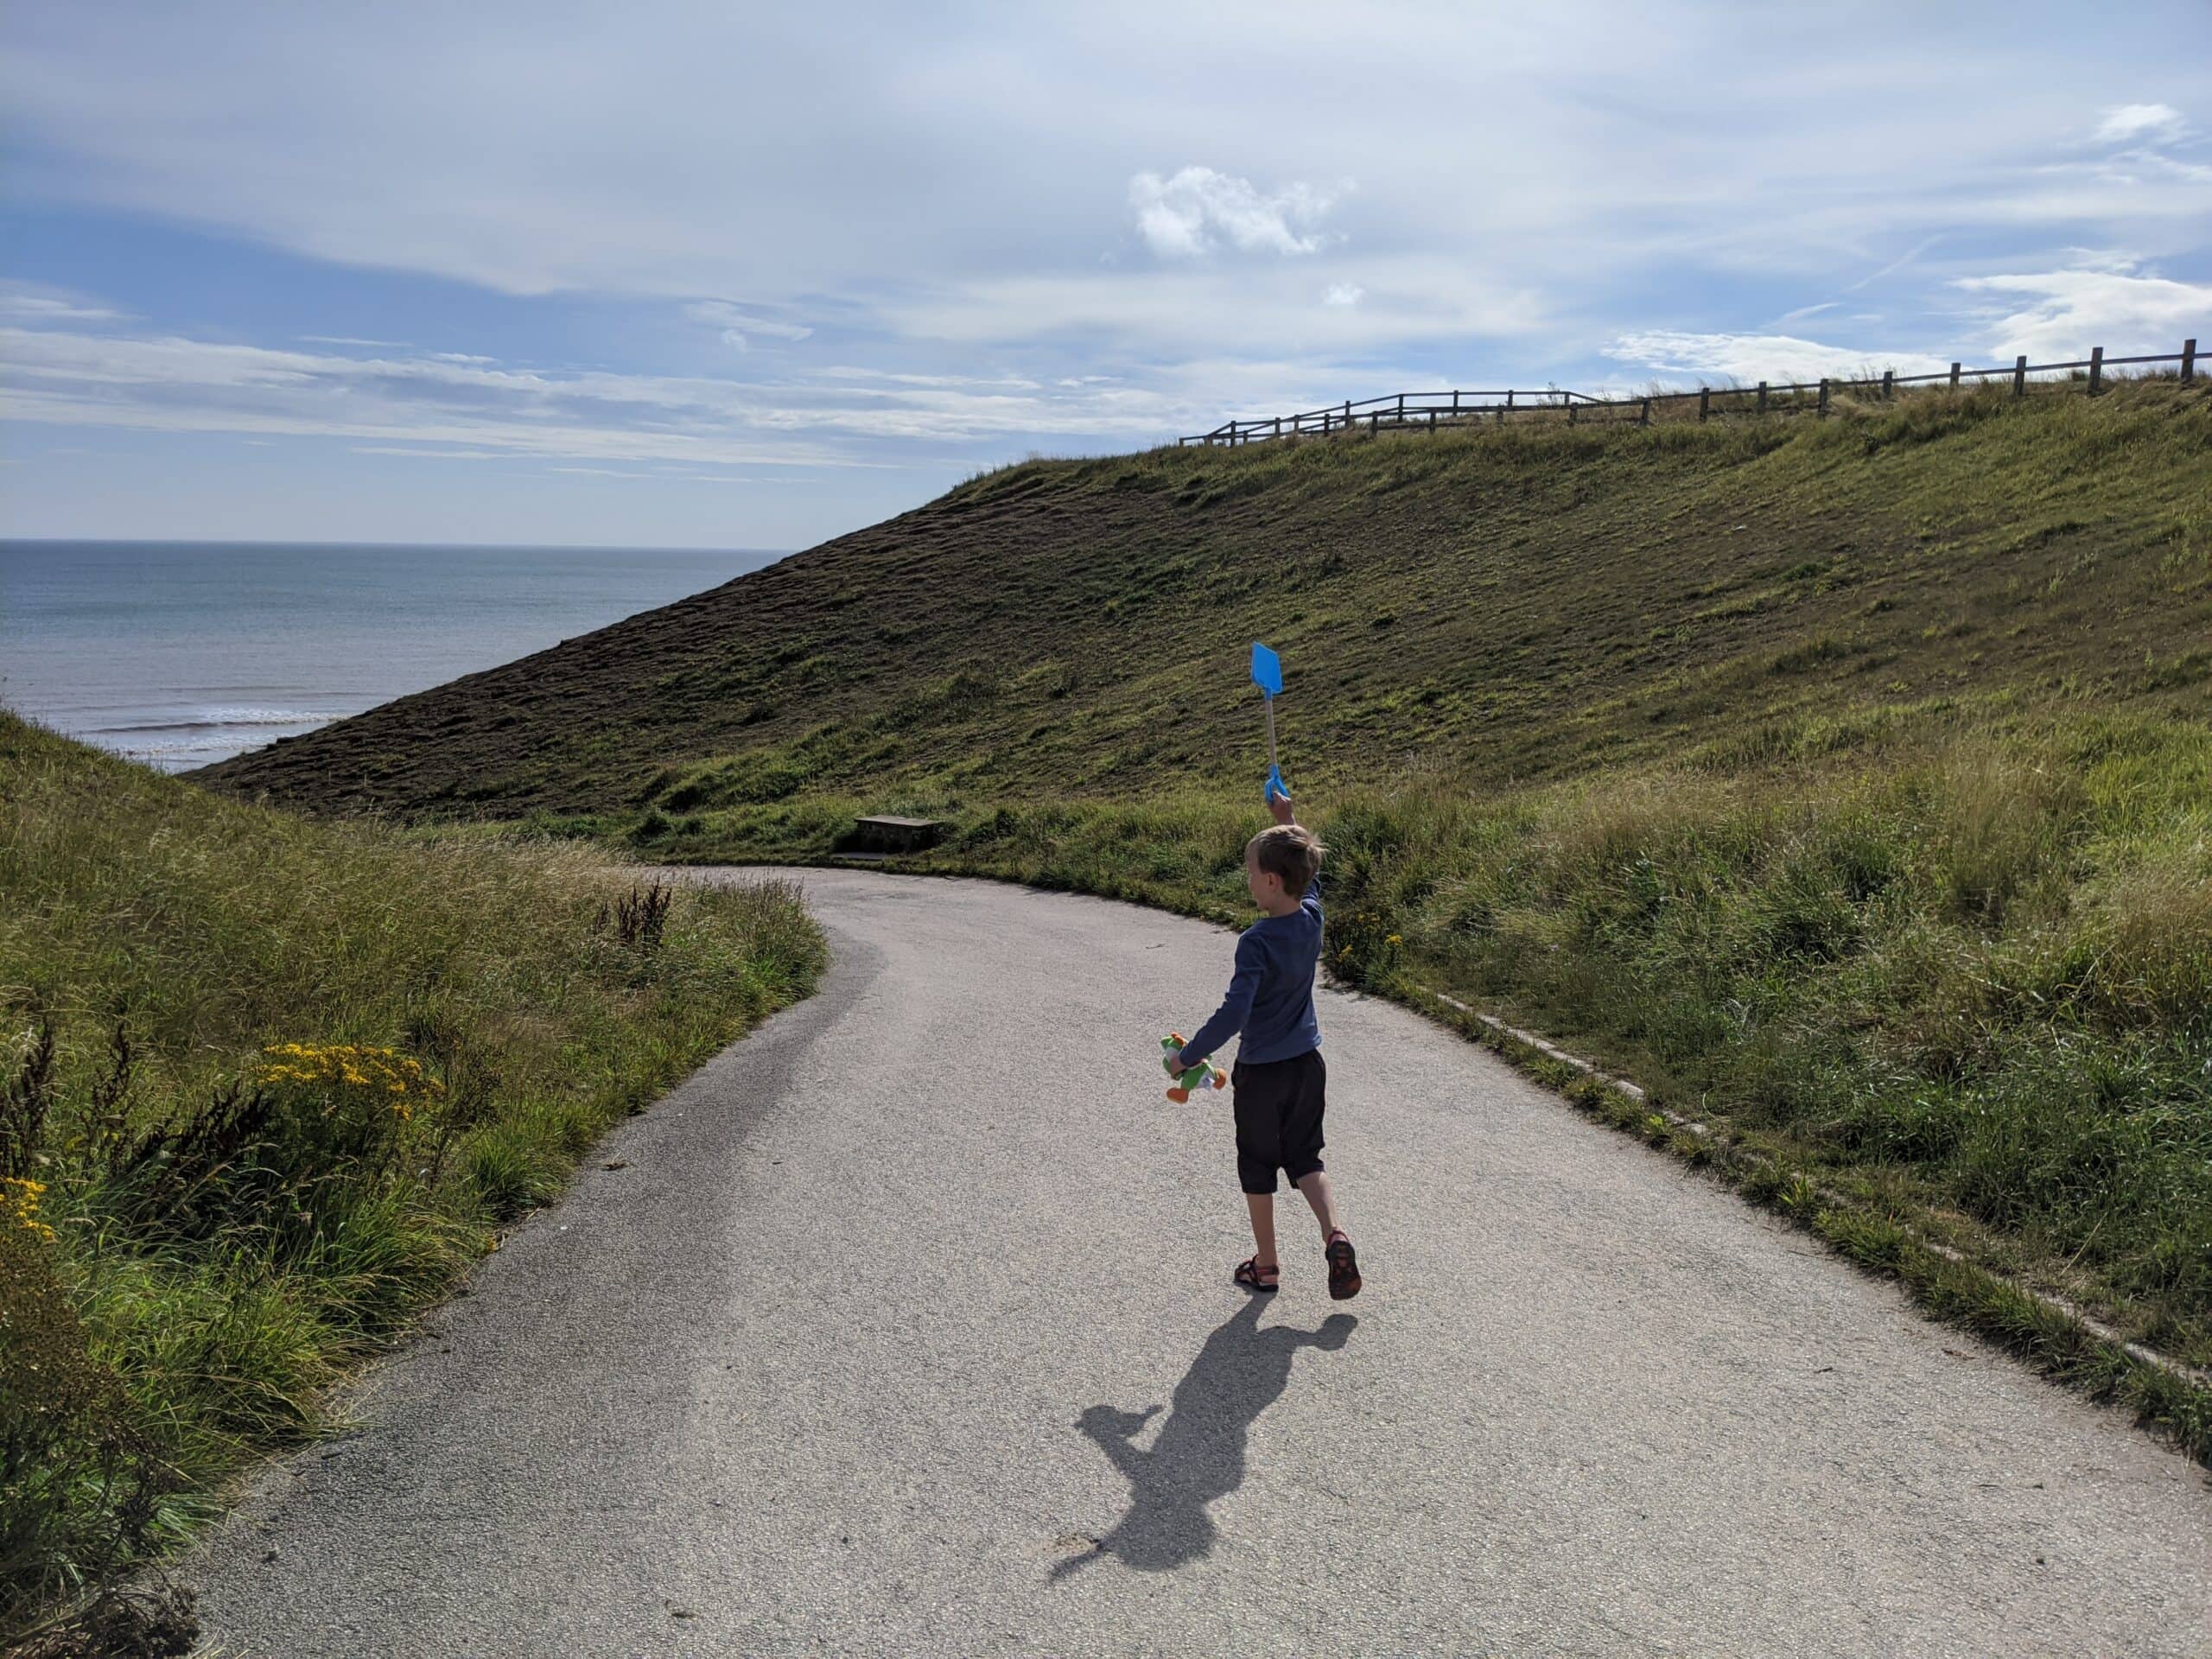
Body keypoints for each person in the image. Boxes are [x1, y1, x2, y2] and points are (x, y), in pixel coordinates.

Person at [1170, 791, 1360, 1300]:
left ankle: (1268, 1265)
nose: (1248, 880)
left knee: (1257, 1165)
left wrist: (1186, 1058)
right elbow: (1311, 879)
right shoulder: (1312, 918)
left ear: (1271, 881)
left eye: (1251, 872)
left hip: (1262, 1074)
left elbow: (1235, 1014)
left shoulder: (1256, 940)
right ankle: (1334, 1233)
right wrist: (1288, 822)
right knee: (1307, 1158)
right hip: (1307, 1065)